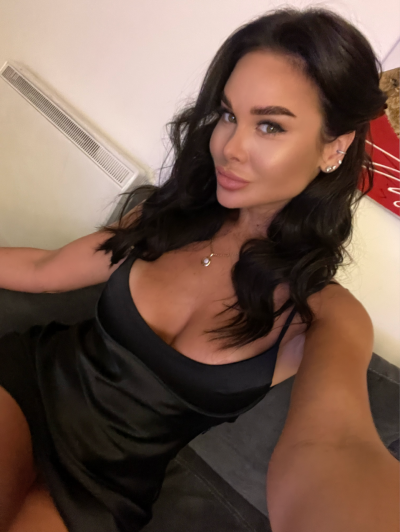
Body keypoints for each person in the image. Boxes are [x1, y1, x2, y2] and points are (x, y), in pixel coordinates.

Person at [0, 6, 396, 532]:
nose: (229, 148)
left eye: (270, 125)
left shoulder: (325, 316)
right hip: (28, 391)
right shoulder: (171, 214)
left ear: (335, 145)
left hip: (105, 490)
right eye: (229, 115)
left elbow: (336, 445)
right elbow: (43, 269)